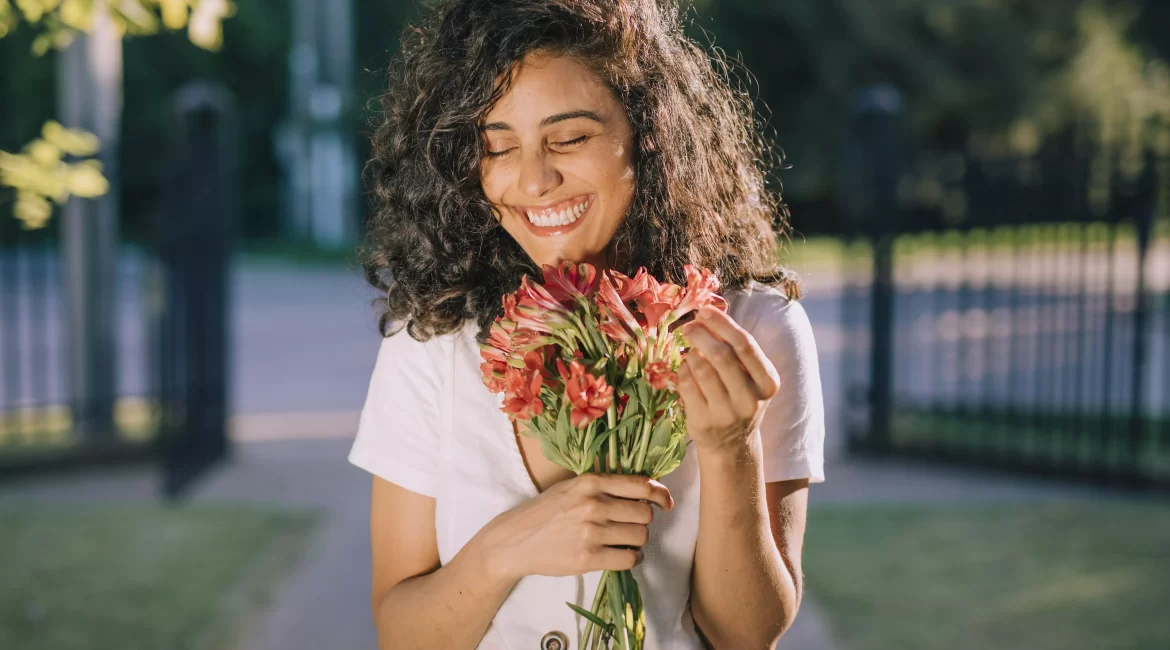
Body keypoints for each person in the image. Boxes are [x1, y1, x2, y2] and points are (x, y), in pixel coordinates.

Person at [349, 1, 826, 648]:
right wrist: (506, 547)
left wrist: (731, 447)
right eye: (496, 146)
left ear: (648, 135)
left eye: (569, 139)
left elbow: (748, 635)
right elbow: (402, 632)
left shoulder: (756, 329)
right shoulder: (432, 339)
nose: (533, 180)